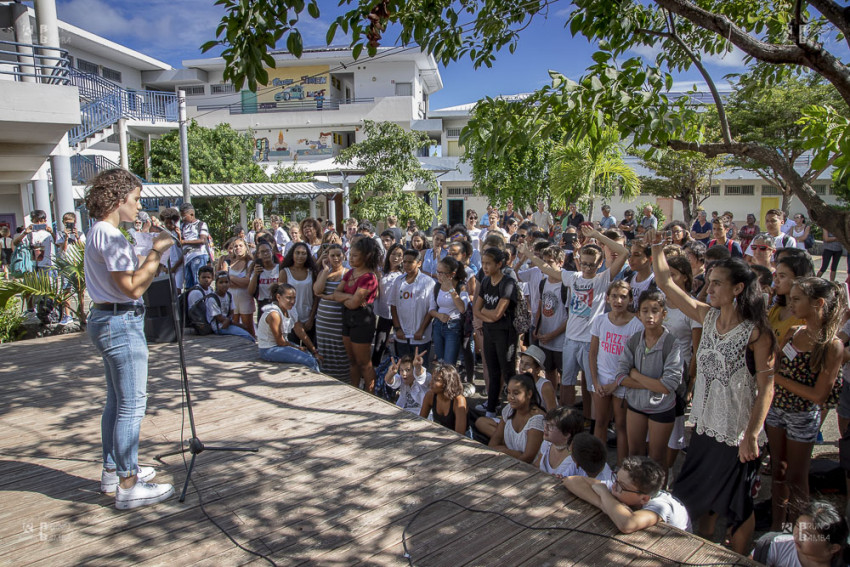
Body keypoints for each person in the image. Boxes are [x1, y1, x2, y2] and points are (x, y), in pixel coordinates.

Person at [649, 228, 775, 555]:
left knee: (738, 505)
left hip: (737, 434)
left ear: (738, 288)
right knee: (697, 497)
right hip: (705, 427)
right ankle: (703, 548)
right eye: (709, 280)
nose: (709, 287)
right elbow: (666, 284)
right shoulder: (706, 316)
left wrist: (752, 433)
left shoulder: (756, 333)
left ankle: (738, 559)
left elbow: (766, 388)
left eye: (717, 283)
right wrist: (657, 249)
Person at [84, 168, 175, 509]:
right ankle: (128, 484)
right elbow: (134, 286)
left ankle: (114, 470)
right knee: (132, 405)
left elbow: (128, 271)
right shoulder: (109, 234)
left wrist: (150, 249)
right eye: (135, 199)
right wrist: (158, 251)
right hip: (120, 321)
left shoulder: (101, 232)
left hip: (107, 317)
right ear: (118, 199)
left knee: (116, 401)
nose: (139, 207)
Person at [767, 277, 845, 531]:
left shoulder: (831, 345)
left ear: (818, 303)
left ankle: (797, 529)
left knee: (796, 477)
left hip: (802, 415)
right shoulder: (793, 332)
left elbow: (819, 395)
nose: (791, 303)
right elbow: (775, 364)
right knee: (778, 471)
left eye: (798, 299)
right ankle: (778, 525)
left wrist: (776, 377)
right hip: (776, 410)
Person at [523, 226, 630, 408]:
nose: (588, 267)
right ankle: (567, 415)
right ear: (580, 261)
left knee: (590, 385)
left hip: (590, 341)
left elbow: (624, 252)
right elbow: (548, 269)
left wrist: (597, 235)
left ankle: (590, 419)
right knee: (567, 382)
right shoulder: (573, 277)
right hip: (570, 340)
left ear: (600, 264)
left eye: (592, 264)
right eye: (585, 263)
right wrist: (528, 254)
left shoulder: (603, 279)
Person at [616, 290, 682, 470]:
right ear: (638, 314)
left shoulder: (672, 344)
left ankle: (657, 495)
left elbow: (668, 386)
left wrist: (636, 375)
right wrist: (655, 383)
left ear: (664, 314)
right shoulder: (634, 341)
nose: (650, 316)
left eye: (655, 310)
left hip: (662, 408)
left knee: (657, 459)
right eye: (645, 311)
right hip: (635, 405)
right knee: (634, 454)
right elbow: (621, 376)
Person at [589, 280, 643, 463]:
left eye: (623, 296)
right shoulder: (600, 320)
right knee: (600, 422)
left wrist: (616, 384)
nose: (618, 301)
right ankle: (596, 464)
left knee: (621, 425)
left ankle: (621, 467)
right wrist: (596, 382)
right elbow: (593, 353)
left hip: (623, 383)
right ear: (607, 298)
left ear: (630, 299)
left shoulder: (637, 325)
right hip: (601, 381)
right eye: (614, 296)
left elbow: (636, 361)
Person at [563, 456, 691, 534]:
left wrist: (603, 494)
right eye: (615, 479)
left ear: (644, 498)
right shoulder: (620, 486)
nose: (613, 486)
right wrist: (604, 504)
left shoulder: (662, 505)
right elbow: (571, 481)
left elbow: (628, 524)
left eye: (620, 486)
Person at [473, 247, 518, 417]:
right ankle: (491, 409)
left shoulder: (507, 283)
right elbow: (476, 309)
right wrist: (489, 317)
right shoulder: (485, 282)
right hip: (489, 331)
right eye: (483, 263)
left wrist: (488, 315)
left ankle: (516, 411)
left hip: (505, 334)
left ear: (499, 264)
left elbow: (498, 313)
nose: (484, 267)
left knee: (508, 371)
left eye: (488, 263)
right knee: (493, 371)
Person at [334, 236, 381, 392]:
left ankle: (371, 394)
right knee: (352, 360)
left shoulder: (369, 278)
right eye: (350, 255)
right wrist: (350, 297)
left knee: (364, 363)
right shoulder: (351, 273)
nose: (350, 258)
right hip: (347, 316)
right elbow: (336, 294)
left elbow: (354, 303)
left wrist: (347, 298)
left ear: (366, 256)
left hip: (362, 319)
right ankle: (354, 391)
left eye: (354, 255)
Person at [753, 500, 849, 567]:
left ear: (833, 548)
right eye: (798, 526)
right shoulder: (774, 546)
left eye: (807, 535)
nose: (797, 536)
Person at [257, 283, 322, 373]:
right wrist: (297, 348)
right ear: (278, 297)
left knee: (310, 355)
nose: (292, 301)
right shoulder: (274, 314)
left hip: (281, 345)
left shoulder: (290, 309)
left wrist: (314, 350)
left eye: (294, 298)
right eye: (289, 298)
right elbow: (280, 342)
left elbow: (299, 330)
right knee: (310, 361)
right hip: (269, 349)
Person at [482, 373, 545, 463]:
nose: (510, 397)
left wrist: (503, 451)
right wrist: (511, 452)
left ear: (529, 394)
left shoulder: (537, 420)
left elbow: (528, 458)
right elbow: (493, 444)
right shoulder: (509, 410)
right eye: (508, 392)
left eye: (516, 393)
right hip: (508, 461)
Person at [533, 245, 569, 393]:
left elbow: (570, 316)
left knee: (565, 375)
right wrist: (536, 329)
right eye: (544, 261)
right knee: (549, 372)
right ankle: (552, 400)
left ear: (560, 262)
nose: (546, 265)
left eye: (551, 261)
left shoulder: (567, 284)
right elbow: (540, 309)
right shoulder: (543, 282)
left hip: (562, 340)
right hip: (545, 338)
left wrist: (553, 335)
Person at [313, 243, 350, 383]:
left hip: (339, 321)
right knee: (324, 352)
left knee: (340, 353)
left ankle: (343, 382)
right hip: (323, 322)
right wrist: (325, 269)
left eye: (338, 255)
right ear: (327, 257)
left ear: (343, 256)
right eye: (332, 255)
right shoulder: (324, 272)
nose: (335, 258)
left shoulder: (347, 273)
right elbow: (317, 291)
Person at [391, 249, 435, 359]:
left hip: (420, 337)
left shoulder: (428, 282)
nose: (406, 265)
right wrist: (397, 329)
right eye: (404, 262)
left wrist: (421, 330)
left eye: (410, 262)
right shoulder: (398, 281)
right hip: (402, 336)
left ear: (419, 263)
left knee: (420, 371)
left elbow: (431, 309)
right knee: (403, 370)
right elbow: (393, 306)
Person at [428, 256, 469, 365]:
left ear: (452, 274)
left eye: (441, 273)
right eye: (438, 272)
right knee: (440, 362)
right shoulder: (437, 286)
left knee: (449, 364)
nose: (438, 275)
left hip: (453, 327)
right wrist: (439, 315)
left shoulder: (461, 287)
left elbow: (462, 308)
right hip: (438, 326)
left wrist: (451, 289)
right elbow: (431, 309)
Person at [279, 242, 319, 346]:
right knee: (295, 351)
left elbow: (316, 297)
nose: (300, 256)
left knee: (311, 349)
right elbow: (281, 299)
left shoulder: (311, 272)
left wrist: (311, 318)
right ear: (292, 254)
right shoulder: (285, 272)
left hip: (309, 319)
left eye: (303, 253)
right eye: (297, 253)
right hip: (291, 320)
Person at [372, 242, 404, 367]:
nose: (396, 257)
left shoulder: (403, 274)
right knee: (379, 343)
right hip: (385, 313)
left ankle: (401, 371)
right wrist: (378, 278)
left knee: (399, 344)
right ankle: (375, 370)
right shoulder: (381, 272)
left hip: (400, 314)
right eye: (393, 254)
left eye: (399, 255)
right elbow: (378, 294)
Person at [770, 253, 815, 341]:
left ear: (798, 279)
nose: (776, 280)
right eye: (776, 275)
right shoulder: (776, 309)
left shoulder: (805, 315)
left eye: (782, 276)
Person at [55, 211, 86, 324]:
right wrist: (66, 238)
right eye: (66, 223)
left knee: (80, 289)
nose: (69, 225)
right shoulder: (60, 234)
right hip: (66, 264)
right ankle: (67, 315)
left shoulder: (81, 233)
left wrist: (77, 237)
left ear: (75, 223)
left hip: (77, 264)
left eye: (71, 223)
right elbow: (62, 249)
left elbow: (83, 248)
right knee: (66, 289)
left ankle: (82, 312)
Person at [420, 363, 469, 435]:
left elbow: (460, 434)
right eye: (432, 379)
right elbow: (421, 421)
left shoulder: (458, 400)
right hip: (439, 434)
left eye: (436, 380)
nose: (431, 383)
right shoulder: (430, 395)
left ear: (447, 383)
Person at [207, 271, 255, 342]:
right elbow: (219, 317)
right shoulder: (212, 299)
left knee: (247, 333)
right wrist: (237, 324)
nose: (224, 285)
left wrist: (228, 320)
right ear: (216, 284)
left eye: (226, 282)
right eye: (221, 282)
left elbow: (232, 312)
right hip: (219, 326)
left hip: (228, 323)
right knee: (247, 336)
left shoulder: (229, 295)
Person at [223, 237, 255, 337]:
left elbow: (247, 282)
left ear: (246, 247)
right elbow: (223, 281)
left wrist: (231, 277)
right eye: (235, 246)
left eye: (240, 245)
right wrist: (238, 281)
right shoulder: (227, 263)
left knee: (248, 325)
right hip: (231, 298)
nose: (238, 248)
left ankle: (252, 343)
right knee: (234, 323)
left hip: (245, 297)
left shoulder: (250, 263)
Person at [385, 348, 431, 414]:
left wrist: (418, 367)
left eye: (408, 370)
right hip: (402, 413)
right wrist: (391, 374)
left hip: (422, 415)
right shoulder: (401, 379)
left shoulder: (426, 377)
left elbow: (421, 377)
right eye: (401, 370)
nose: (404, 374)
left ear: (414, 369)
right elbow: (389, 381)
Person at [179, 203, 210, 290]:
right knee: (189, 285)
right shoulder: (183, 226)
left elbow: (202, 240)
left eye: (184, 216)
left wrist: (185, 242)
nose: (183, 219)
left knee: (198, 282)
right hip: (187, 258)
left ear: (192, 214)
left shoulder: (201, 224)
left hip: (198, 256)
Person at [519, 345, 558, 412]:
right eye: (521, 362)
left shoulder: (545, 386)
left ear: (537, 369)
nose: (522, 367)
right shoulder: (517, 382)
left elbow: (552, 414)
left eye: (527, 364)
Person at [247, 241, 280, 321]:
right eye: (262, 252)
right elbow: (250, 292)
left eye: (267, 251)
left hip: (278, 303)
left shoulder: (280, 268)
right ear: (258, 254)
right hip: (263, 304)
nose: (265, 254)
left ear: (272, 252)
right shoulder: (256, 270)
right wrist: (255, 275)